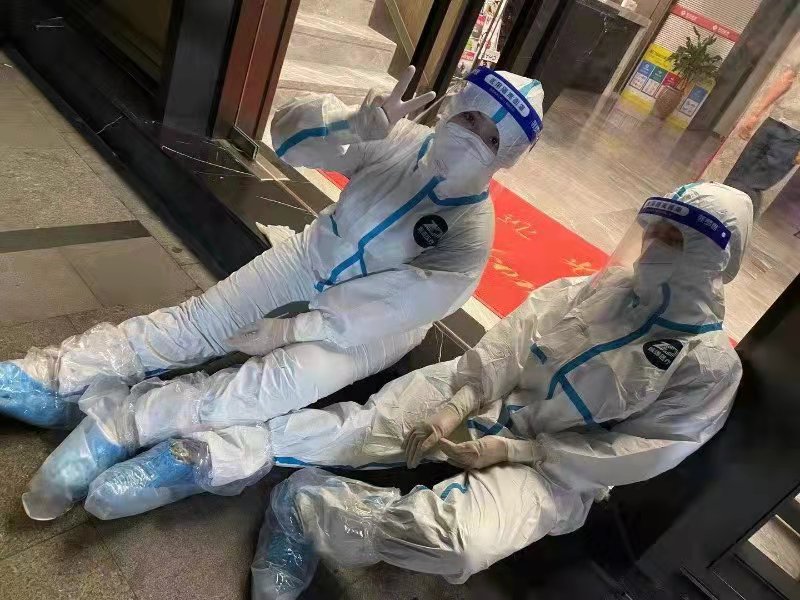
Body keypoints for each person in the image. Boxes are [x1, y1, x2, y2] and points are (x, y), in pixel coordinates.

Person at [82, 182, 750, 597]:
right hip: (482, 399)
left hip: (555, 470)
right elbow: (509, 344)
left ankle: (311, 507)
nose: (656, 247)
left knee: (458, 542)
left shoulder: (707, 366)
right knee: (355, 429)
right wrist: (460, 401)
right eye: (655, 230)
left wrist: (519, 453)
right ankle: (200, 457)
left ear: (719, 259)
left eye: (678, 239)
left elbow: (643, 451)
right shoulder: (589, 292)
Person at [9, 66, 546, 521]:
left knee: (274, 386)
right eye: (470, 118)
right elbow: (289, 138)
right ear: (454, 107)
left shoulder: (472, 234)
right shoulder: (398, 138)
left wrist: (294, 329)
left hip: (374, 331)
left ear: (507, 157)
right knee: (199, 322)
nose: (472, 137)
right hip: (311, 255)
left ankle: (120, 426)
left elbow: (399, 304)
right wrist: (351, 124)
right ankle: (51, 374)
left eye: (491, 139)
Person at [725, 40, 800, 214]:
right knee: (736, 176)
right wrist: (756, 113)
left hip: (796, 135)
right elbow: (786, 78)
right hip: (775, 120)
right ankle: (713, 218)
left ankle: (735, 225)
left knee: (754, 184)